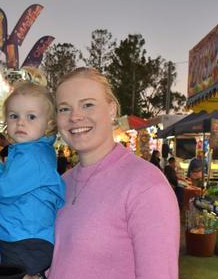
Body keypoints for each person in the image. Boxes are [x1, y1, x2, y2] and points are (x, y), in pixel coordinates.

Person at [49, 67, 179, 279]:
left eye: (87, 104)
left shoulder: (146, 186)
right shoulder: (61, 183)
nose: (75, 117)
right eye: (64, 109)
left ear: (111, 110)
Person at [0, 81, 66, 278]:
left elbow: (4, 188)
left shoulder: (33, 156)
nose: (21, 122)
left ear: (49, 124)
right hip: (27, 238)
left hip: (24, 240)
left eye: (31, 117)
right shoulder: (31, 151)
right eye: (14, 116)